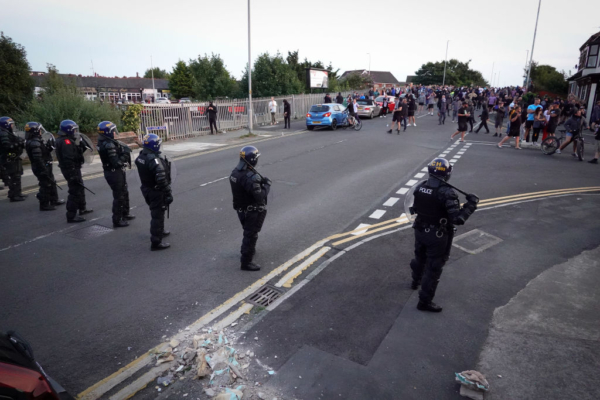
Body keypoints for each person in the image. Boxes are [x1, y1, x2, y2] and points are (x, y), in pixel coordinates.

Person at [409, 158, 478, 312]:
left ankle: (415, 281)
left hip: (419, 230)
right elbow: (457, 219)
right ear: (447, 174)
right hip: (437, 236)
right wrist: (471, 205)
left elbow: (414, 207)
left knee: (419, 257)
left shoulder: (420, 187)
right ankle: (424, 302)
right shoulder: (447, 192)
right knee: (434, 267)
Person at [229, 146, 271, 271]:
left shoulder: (235, 173)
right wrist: (267, 186)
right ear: (252, 159)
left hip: (241, 210)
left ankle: (248, 249)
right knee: (251, 235)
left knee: (248, 232)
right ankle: (246, 261)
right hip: (251, 211)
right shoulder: (251, 177)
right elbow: (260, 196)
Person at [135, 134, 173, 250]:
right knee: (157, 215)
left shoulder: (142, 156)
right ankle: (156, 242)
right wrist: (168, 192)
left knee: (157, 213)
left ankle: (160, 230)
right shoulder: (154, 160)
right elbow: (161, 179)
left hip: (146, 188)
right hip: (156, 191)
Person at [97, 121, 135, 227]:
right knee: (119, 196)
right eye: (113, 131)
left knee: (124, 191)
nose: (114, 133)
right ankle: (117, 220)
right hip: (114, 173)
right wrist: (125, 154)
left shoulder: (104, 141)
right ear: (108, 132)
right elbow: (116, 163)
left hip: (113, 172)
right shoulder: (109, 145)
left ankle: (125, 213)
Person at [55, 120, 93, 222]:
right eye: (74, 129)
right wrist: (73, 174)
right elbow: (69, 159)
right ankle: (71, 216)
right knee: (74, 191)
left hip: (74, 168)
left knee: (80, 188)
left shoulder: (67, 140)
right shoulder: (65, 142)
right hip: (71, 169)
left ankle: (82, 208)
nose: (76, 131)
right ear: (68, 130)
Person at [24, 122, 64, 211]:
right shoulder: (34, 143)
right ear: (35, 131)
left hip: (45, 165)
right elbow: (38, 159)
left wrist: (49, 148)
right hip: (41, 167)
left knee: (52, 182)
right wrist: (43, 170)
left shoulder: (36, 140)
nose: (41, 132)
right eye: (39, 130)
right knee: (45, 185)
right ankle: (44, 205)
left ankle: (54, 200)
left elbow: (42, 154)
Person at [0, 116, 27, 202]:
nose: (12, 126)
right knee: (15, 176)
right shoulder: (4, 133)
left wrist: (19, 141)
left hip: (12, 156)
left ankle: (16, 193)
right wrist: (18, 143)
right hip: (9, 157)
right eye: (11, 124)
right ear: (6, 125)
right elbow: (7, 147)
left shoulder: (6, 132)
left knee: (16, 176)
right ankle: (15, 195)